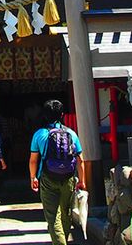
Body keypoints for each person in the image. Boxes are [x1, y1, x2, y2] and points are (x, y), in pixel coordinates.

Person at [28, 99, 86, 245]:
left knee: (52, 216)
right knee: (66, 213)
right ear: (62, 115)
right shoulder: (71, 133)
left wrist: (33, 177)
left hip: (48, 177)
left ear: (45, 115)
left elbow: (33, 160)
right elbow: (80, 159)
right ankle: (63, 239)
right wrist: (83, 181)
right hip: (68, 178)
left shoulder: (39, 134)